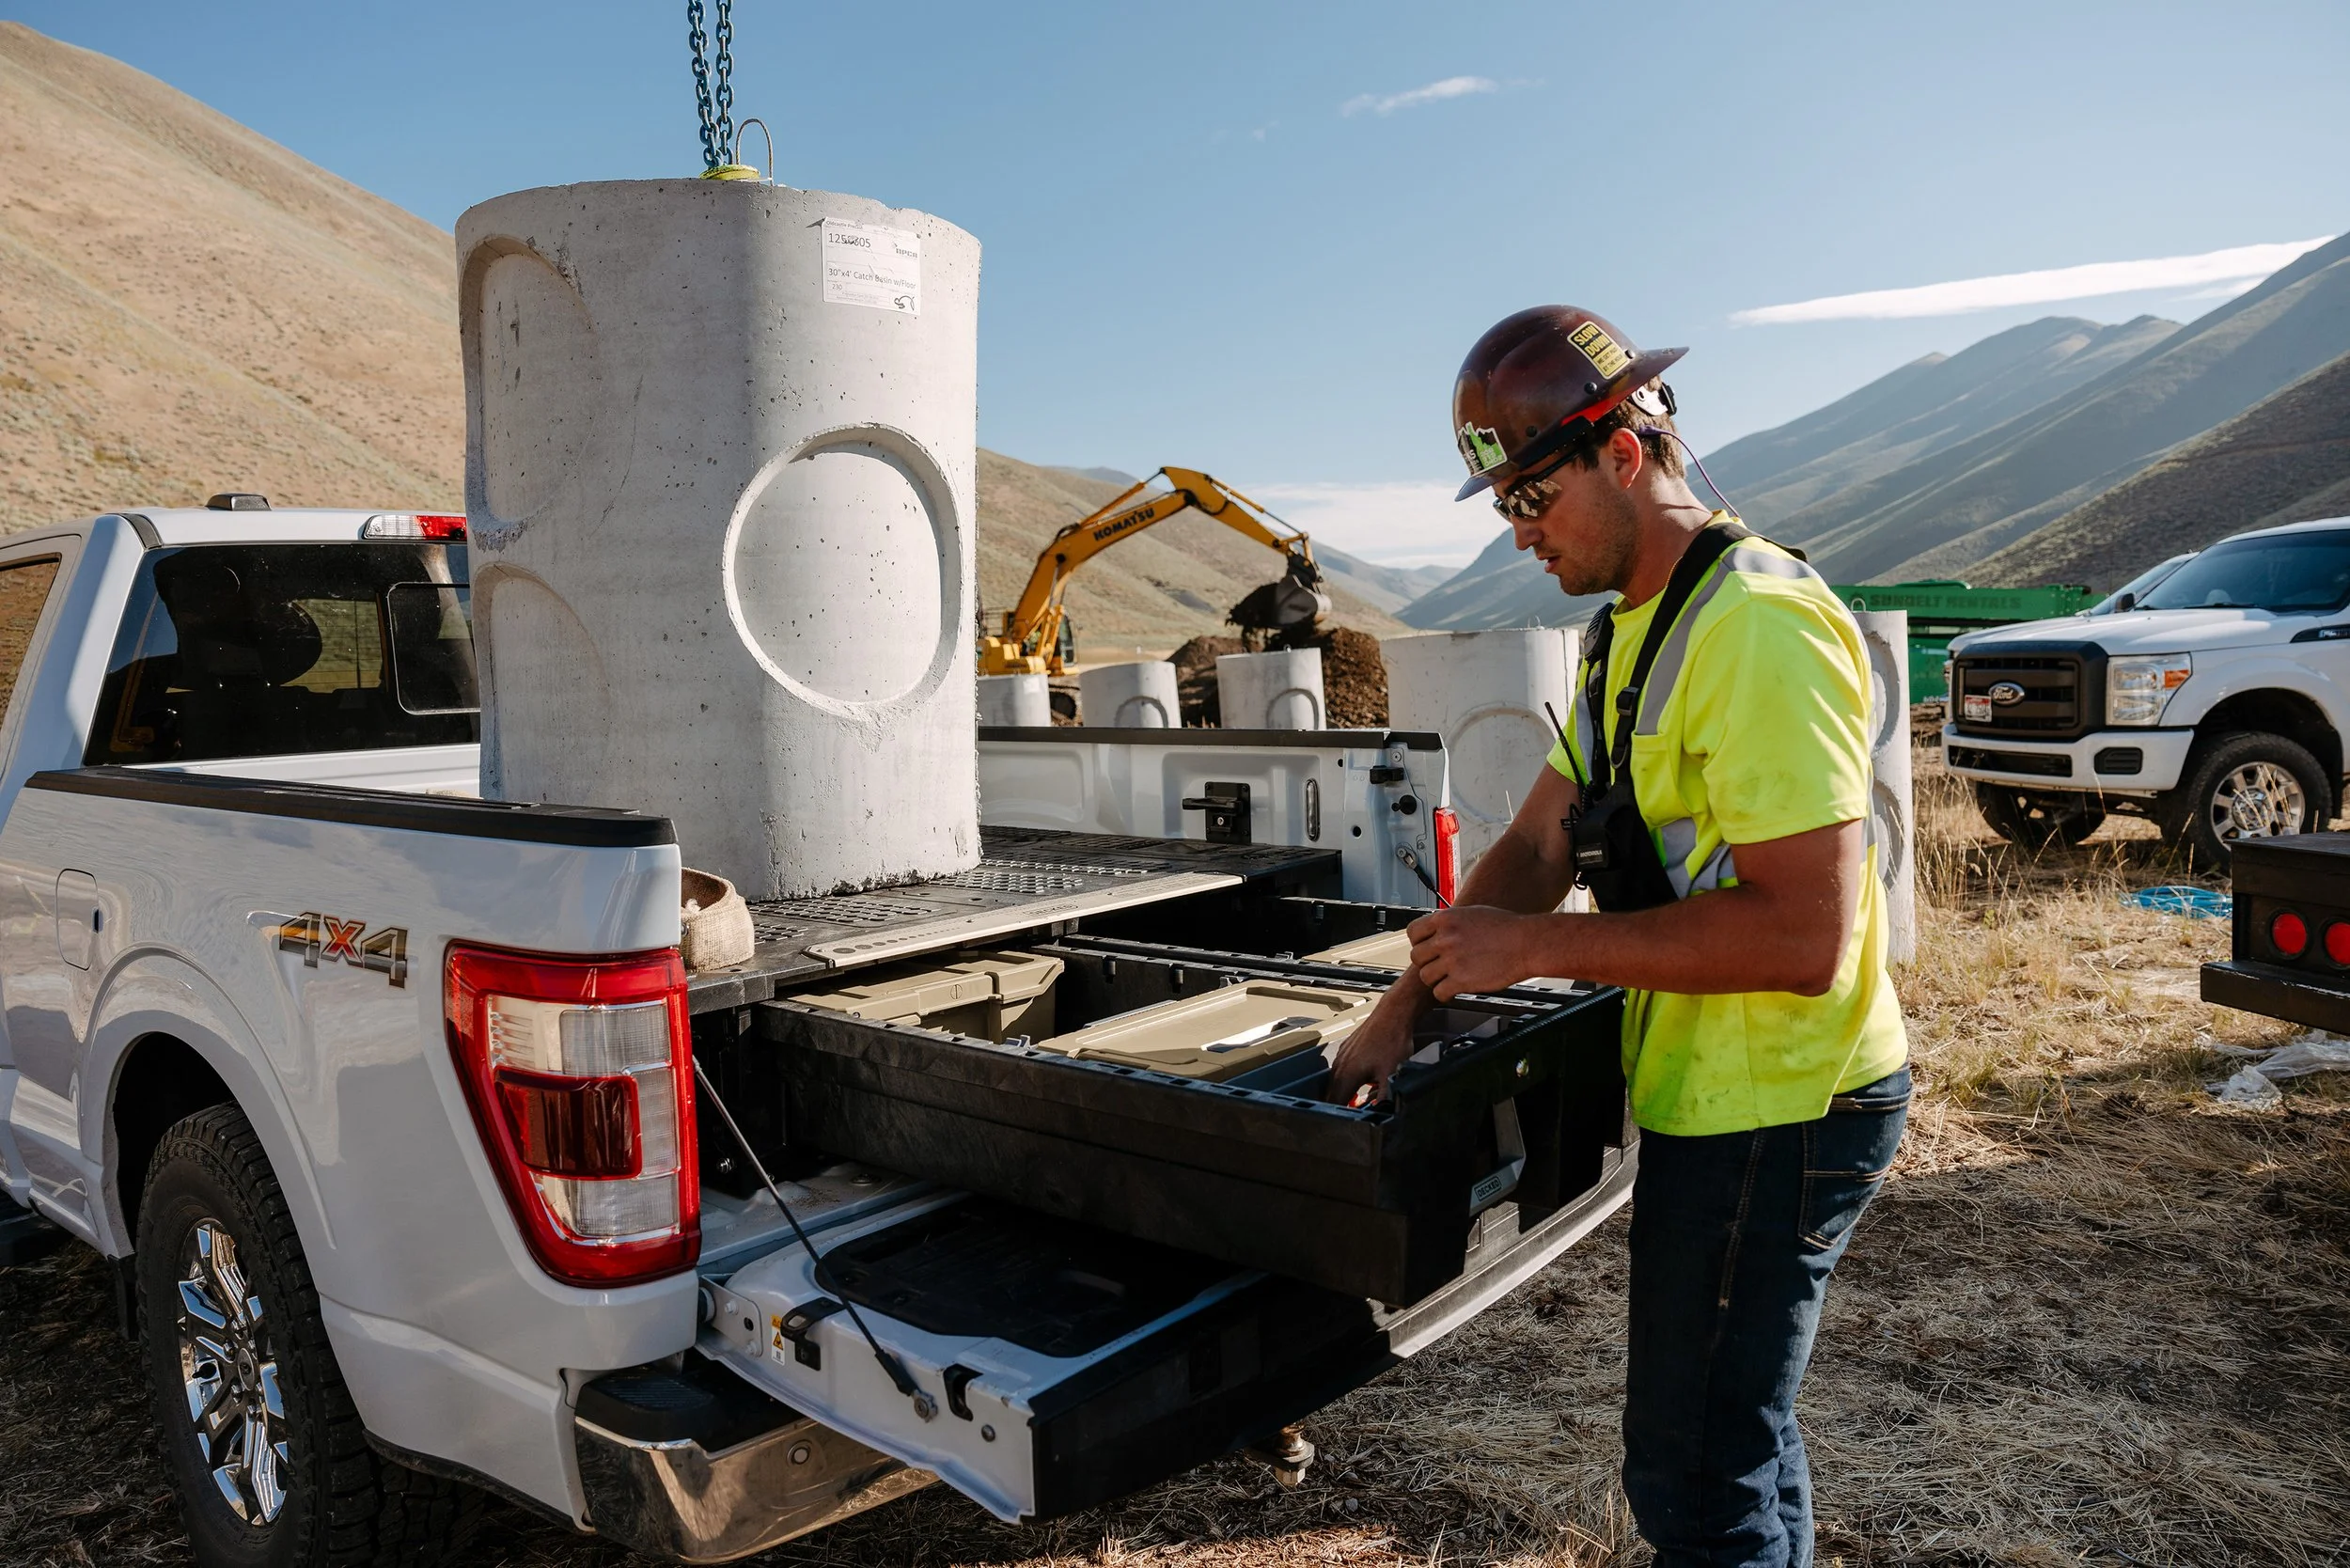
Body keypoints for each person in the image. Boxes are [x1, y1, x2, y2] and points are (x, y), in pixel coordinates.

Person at [1327, 306, 1909, 1568]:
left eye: (1531, 494)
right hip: (1725, 1093)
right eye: (1500, 506)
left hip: (1787, 1107)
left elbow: (1807, 933)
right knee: (1736, 1439)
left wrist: (1538, 955)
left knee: (1695, 1477)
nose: (1518, 530)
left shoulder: (1754, 624)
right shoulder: (1626, 635)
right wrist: (1402, 1005)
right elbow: (1539, 849)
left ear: (1625, 452)